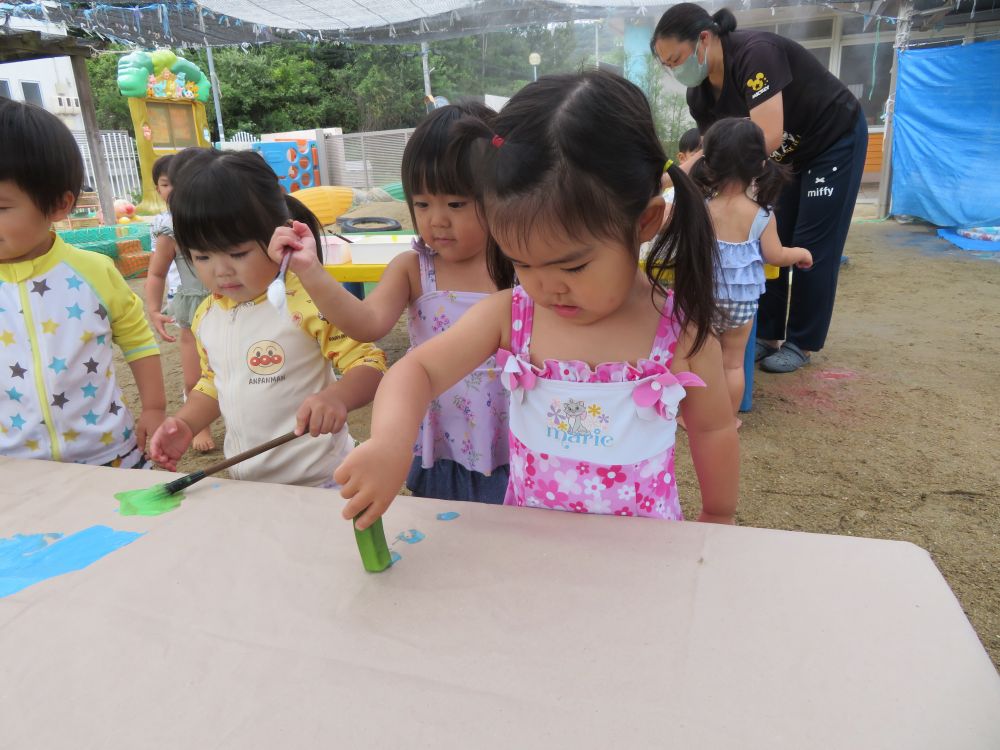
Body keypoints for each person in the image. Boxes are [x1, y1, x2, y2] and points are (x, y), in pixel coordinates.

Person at [335, 70, 739, 531]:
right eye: (522, 263)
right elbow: (418, 370)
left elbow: (712, 429)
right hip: (528, 546)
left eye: (572, 267)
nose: (547, 288)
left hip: (645, 550)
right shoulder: (512, 315)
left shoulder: (677, 331)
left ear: (645, 222)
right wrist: (389, 443)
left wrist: (718, 513)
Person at [269, 103, 511, 504]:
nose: (437, 220)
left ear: (501, 196)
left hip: (512, 446)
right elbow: (366, 323)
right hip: (443, 447)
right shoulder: (414, 268)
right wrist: (310, 270)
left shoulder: (523, 268)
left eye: (455, 204)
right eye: (422, 204)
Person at [148, 149, 386, 487]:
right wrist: (185, 423)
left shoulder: (306, 299)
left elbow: (370, 364)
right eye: (201, 256)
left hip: (321, 482)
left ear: (282, 236)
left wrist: (337, 398)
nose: (221, 270)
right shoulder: (208, 314)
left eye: (238, 253)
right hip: (248, 485)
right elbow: (214, 383)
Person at [651, 4, 868, 373]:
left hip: (830, 139)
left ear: (704, 39)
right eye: (667, 65)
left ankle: (801, 341)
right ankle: (766, 335)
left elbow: (766, 135)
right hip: (776, 159)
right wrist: (664, 181)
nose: (675, 70)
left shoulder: (755, 54)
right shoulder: (700, 96)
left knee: (812, 242)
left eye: (677, 59)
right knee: (765, 241)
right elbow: (711, 151)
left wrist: (689, 179)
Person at [0, 99, 166, 467]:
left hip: (108, 454)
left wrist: (154, 408)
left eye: (0, 207)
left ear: (60, 205)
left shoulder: (94, 270)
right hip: (14, 468)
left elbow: (138, 342)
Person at [689, 117, 813, 421]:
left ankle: (695, 416)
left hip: (702, 299)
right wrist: (800, 252)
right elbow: (775, 255)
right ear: (760, 164)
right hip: (741, 304)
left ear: (708, 163)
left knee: (700, 361)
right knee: (732, 363)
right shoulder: (761, 215)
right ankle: (727, 421)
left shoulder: (702, 208)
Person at [144, 154, 216, 452]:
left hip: (229, 301)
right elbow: (156, 272)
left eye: (180, 182)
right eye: (165, 184)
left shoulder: (217, 217)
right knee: (193, 375)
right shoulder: (169, 231)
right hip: (192, 309)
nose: (173, 190)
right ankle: (200, 425)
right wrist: (153, 309)